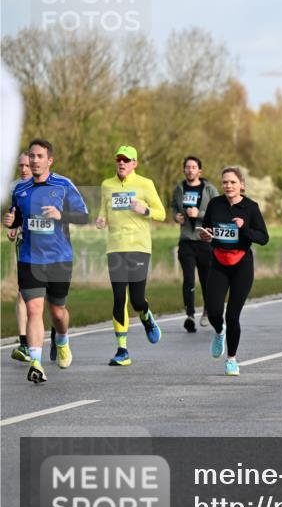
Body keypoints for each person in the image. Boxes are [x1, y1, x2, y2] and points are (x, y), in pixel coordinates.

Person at [4, 138, 89, 383]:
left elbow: (83, 216)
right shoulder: (20, 190)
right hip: (30, 258)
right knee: (33, 309)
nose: (34, 160)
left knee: (58, 312)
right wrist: (12, 223)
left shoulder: (63, 186)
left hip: (59, 259)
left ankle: (62, 340)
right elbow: (18, 217)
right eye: (32, 156)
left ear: (49, 160)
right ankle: (36, 363)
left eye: (40, 156)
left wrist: (61, 215)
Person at [95, 145, 166, 366]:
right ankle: (122, 350)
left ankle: (146, 316)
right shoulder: (107, 185)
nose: (122, 163)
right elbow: (103, 210)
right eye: (119, 160)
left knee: (136, 300)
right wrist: (101, 220)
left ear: (135, 163)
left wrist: (144, 210)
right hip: (115, 248)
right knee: (118, 298)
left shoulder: (145, 184)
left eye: (127, 160)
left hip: (138, 247)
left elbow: (161, 214)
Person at [198, 167, 269, 376]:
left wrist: (244, 228)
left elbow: (264, 238)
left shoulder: (250, 207)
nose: (228, 186)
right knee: (213, 311)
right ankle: (219, 332)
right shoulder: (215, 204)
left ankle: (231, 359)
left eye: (232, 182)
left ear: (242, 185)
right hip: (219, 261)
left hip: (242, 265)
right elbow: (208, 228)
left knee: (232, 315)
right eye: (225, 183)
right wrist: (206, 235)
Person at [171, 155, 218, 332]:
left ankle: (206, 311)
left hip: (204, 241)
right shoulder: (179, 188)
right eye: (187, 167)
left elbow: (218, 213)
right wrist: (176, 216)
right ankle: (190, 315)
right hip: (186, 241)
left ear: (200, 171)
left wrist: (199, 214)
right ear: (184, 170)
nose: (190, 170)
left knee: (206, 280)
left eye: (193, 167)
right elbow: (173, 206)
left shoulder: (209, 189)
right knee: (188, 279)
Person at [8, 152, 32, 362]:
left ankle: (58, 338)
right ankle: (24, 343)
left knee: (52, 299)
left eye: (27, 165)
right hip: (25, 248)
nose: (24, 169)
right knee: (23, 293)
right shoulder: (16, 188)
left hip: (49, 251)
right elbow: (14, 217)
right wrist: (12, 227)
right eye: (20, 166)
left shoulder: (51, 186)